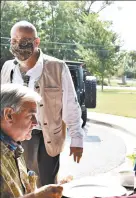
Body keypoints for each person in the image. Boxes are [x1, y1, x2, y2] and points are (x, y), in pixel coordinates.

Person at [1, 21, 84, 187]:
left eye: (24, 40)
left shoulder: (57, 67)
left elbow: (70, 105)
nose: (18, 44)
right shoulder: (8, 67)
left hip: (46, 138)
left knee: (46, 186)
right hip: (13, 136)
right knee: (16, 184)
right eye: (14, 40)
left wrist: (77, 139)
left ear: (36, 42)